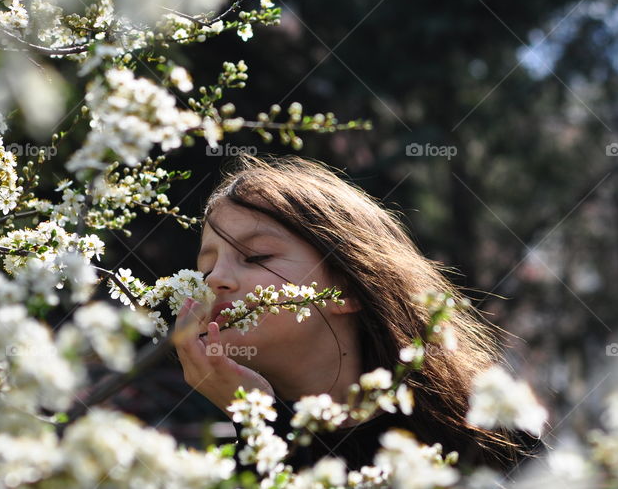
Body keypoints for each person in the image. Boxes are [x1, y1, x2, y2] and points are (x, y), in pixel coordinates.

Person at [174, 154, 544, 475]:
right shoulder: (231, 448)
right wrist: (255, 416)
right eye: (205, 268)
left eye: (256, 257)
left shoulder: (489, 438)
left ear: (348, 289)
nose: (216, 279)